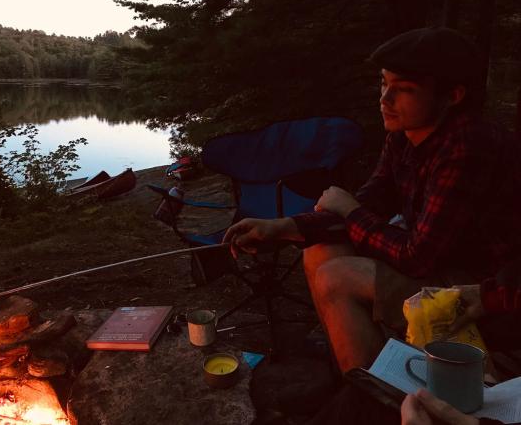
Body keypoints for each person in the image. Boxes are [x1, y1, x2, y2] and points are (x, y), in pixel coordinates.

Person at [223, 26, 521, 373]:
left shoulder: (467, 147)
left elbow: (416, 257)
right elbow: (374, 202)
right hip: (445, 262)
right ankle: (358, 373)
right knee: (319, 249)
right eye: (384, 83)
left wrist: (350, 209)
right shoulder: (405, 135)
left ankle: (371, 399)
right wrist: (285, 227)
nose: (385, 99)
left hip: (488, 291)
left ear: (452, 96)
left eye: (404, 89)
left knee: (339, 276)